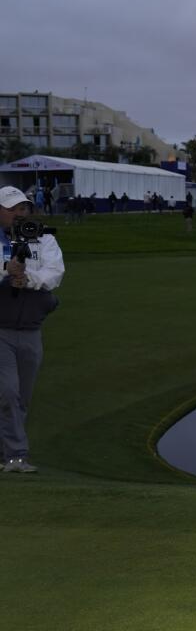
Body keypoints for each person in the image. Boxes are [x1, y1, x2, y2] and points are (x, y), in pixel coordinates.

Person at [0, 185, 65, 474]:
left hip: (30, 329)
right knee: (8, 392)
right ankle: (16, 457)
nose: (18, 214)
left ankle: (6, 452)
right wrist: (7, 268)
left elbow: (55, 273)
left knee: (21, 398)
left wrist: (27, 279)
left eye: (22, 208)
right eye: (12, 209)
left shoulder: (44, 238)